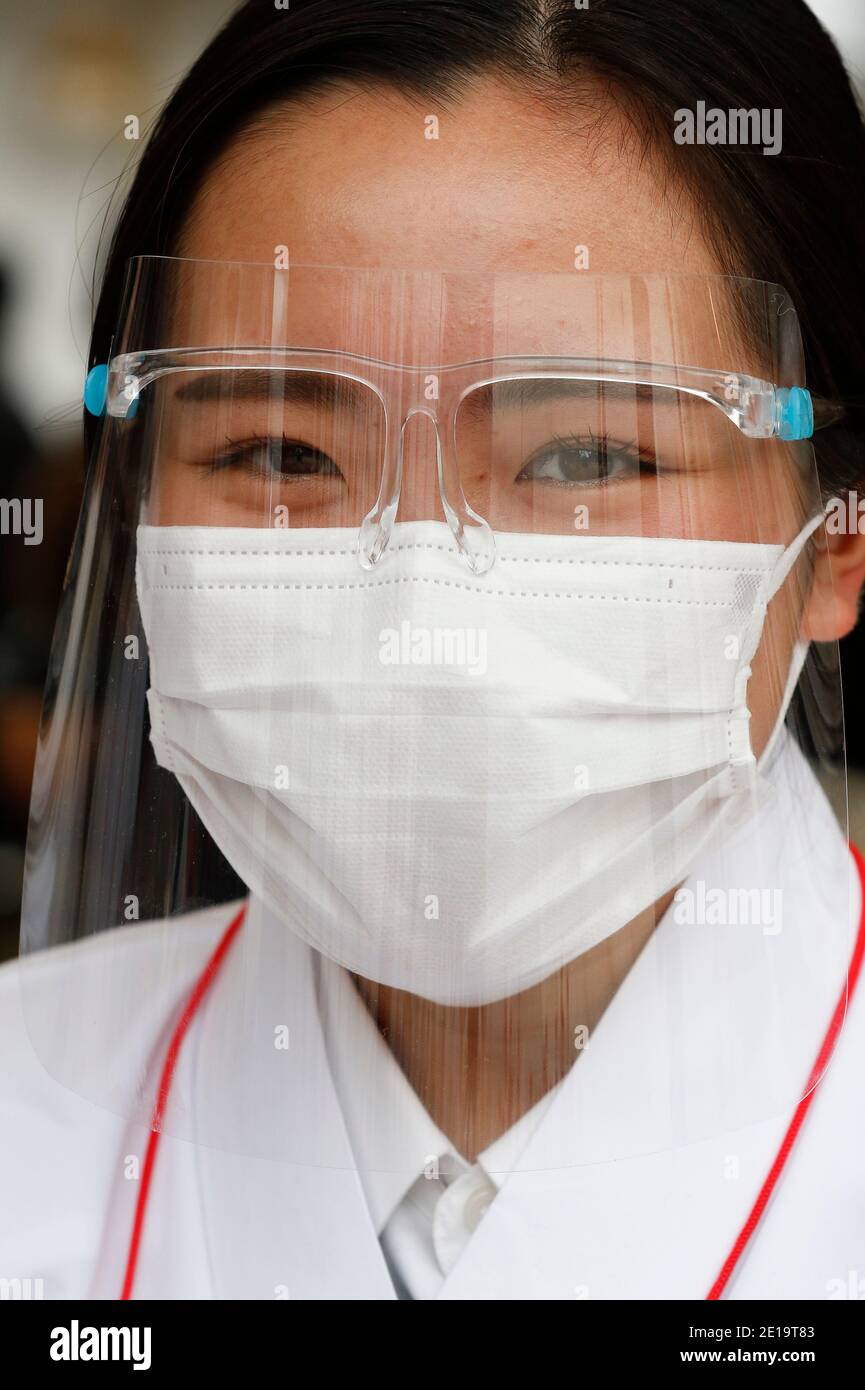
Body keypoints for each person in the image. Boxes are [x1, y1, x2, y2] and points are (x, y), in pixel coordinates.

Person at [3, 0, 865, 1302]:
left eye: (584, 457)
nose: (418, 614)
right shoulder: (28, 1102)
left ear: (836, 535)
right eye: (280, 454)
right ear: (135, 510)